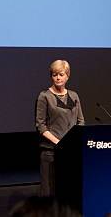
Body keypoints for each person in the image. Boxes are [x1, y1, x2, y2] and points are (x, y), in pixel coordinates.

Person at [35, 60, 85, 197]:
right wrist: (59, 142)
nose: (58, 77)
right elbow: (41, 125)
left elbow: (80, 121)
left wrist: (73, 142)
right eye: (54, 74)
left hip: (71, 153)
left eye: (61, 74)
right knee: (49, 193)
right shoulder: (44, 96)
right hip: (51, 153)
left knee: (69, 192)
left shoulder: (74, 96)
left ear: (67, 76)